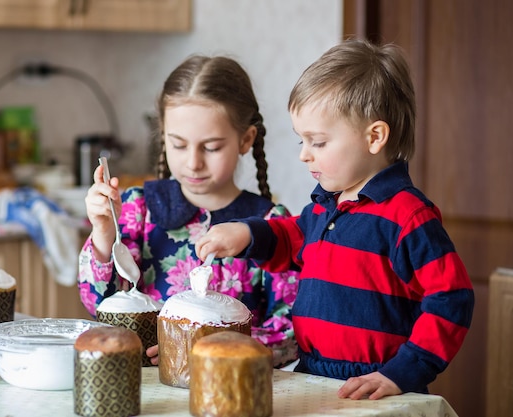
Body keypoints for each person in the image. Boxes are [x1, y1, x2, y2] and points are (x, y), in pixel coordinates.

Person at [194, 39, 475, 400]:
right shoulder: (325, 207)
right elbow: (291, 237)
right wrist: (247, 234)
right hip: (311, 372)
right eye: (301, 141)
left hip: (377, 386)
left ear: (375, 137)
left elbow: (453, 298)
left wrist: (404, 371)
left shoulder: (408, 217)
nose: (304, 156)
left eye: (318, 142)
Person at [77, 55, 300, 367]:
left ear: (246, 139)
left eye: (210, 147)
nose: (193, 162)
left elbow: (290, 333)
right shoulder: (137, 209)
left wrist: (213, 349)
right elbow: (99, 306)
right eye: (179, 145)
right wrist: (103, 233)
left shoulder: (269, 225)